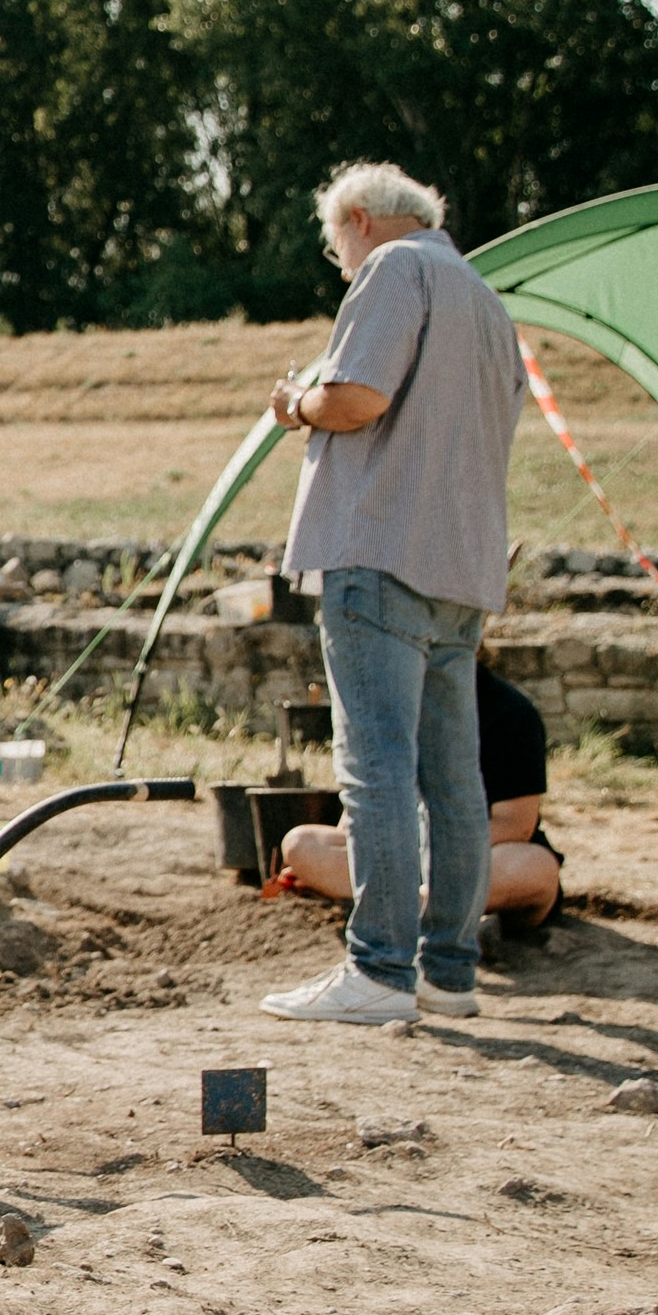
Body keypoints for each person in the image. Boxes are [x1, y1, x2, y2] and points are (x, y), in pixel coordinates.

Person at [257, 161, 525, 1027]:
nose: (338, 261)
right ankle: (450, 970)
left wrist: (297, 403)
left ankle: (377, 969)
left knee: (375, 772)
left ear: (362, 220)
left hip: (381, 551)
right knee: (454, 782)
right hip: (462, 566)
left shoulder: (392, 269)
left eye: (334, 242)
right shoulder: (485, 299)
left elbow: (358, 398)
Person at [271, 659, 564, 937]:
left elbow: (515, 825)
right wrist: (338, 860)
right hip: (398, 861)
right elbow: (360, 811)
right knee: (301, 843)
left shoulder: (510, 712)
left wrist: (431, 855)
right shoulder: (387, 708)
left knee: (537, 867)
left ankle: (409, 911)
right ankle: (427, 915)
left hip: (470, 860)